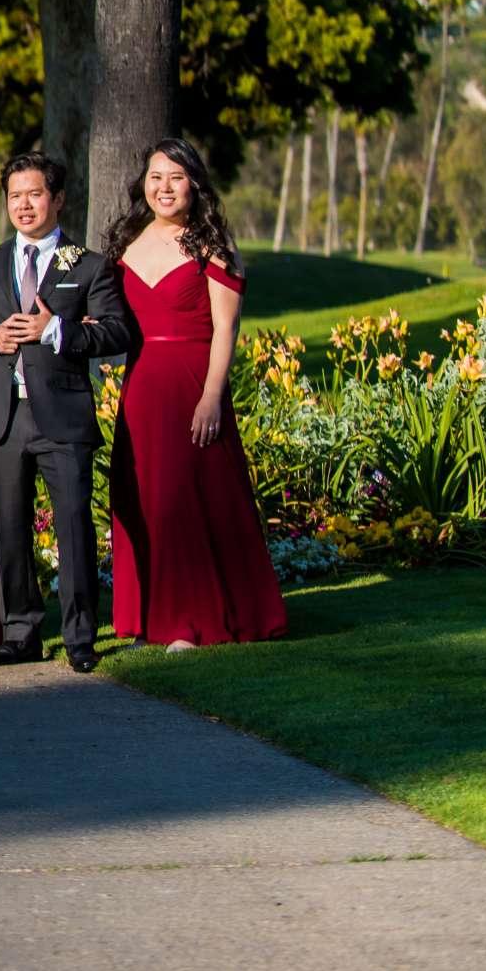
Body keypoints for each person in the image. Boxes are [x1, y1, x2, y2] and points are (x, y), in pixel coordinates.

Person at [0, 152, 139, 674]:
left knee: (74, 526)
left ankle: (79, 637)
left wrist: (57, 331)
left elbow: (118, 332)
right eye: (14, 196)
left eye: (33, 194)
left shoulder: (90, 264)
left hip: (62, 417)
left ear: (57, 199)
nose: (23, 205)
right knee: (7, 527)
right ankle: (20, 632)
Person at [103, 138, 287, 650]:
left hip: (193, 383)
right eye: (156, 176)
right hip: (141, 388)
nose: (165, 187)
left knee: (193, 501)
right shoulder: (124, 243)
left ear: (194, 186)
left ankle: (191, 620)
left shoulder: (213, 244)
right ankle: (146, 619)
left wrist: (212, 396)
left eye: (176, 178)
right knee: (146, 501)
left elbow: (225, 331)